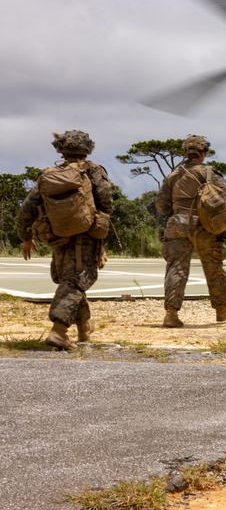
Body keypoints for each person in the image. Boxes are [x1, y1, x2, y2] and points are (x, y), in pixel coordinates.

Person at [17, 130, 114, 350]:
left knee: (72, 280)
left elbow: (27, 209)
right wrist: (99, 229)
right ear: (88, 149)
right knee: (76, 281)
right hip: (85, 237)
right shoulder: (93, 170)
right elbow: (106, 201)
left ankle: (84, 329)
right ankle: (59, 331)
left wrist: (26, 237)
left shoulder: (49, 175)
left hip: (57, 237)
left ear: (61, 150)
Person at [155, 135, 226, 327]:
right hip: (205, 227)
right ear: (203, 153)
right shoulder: (210, 174)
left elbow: (161, 204)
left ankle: (171, 314)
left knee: (176, 268)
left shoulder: (173, 175)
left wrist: (178, 213)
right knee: (213, 267)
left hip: (177, 224)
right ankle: (222, 309)